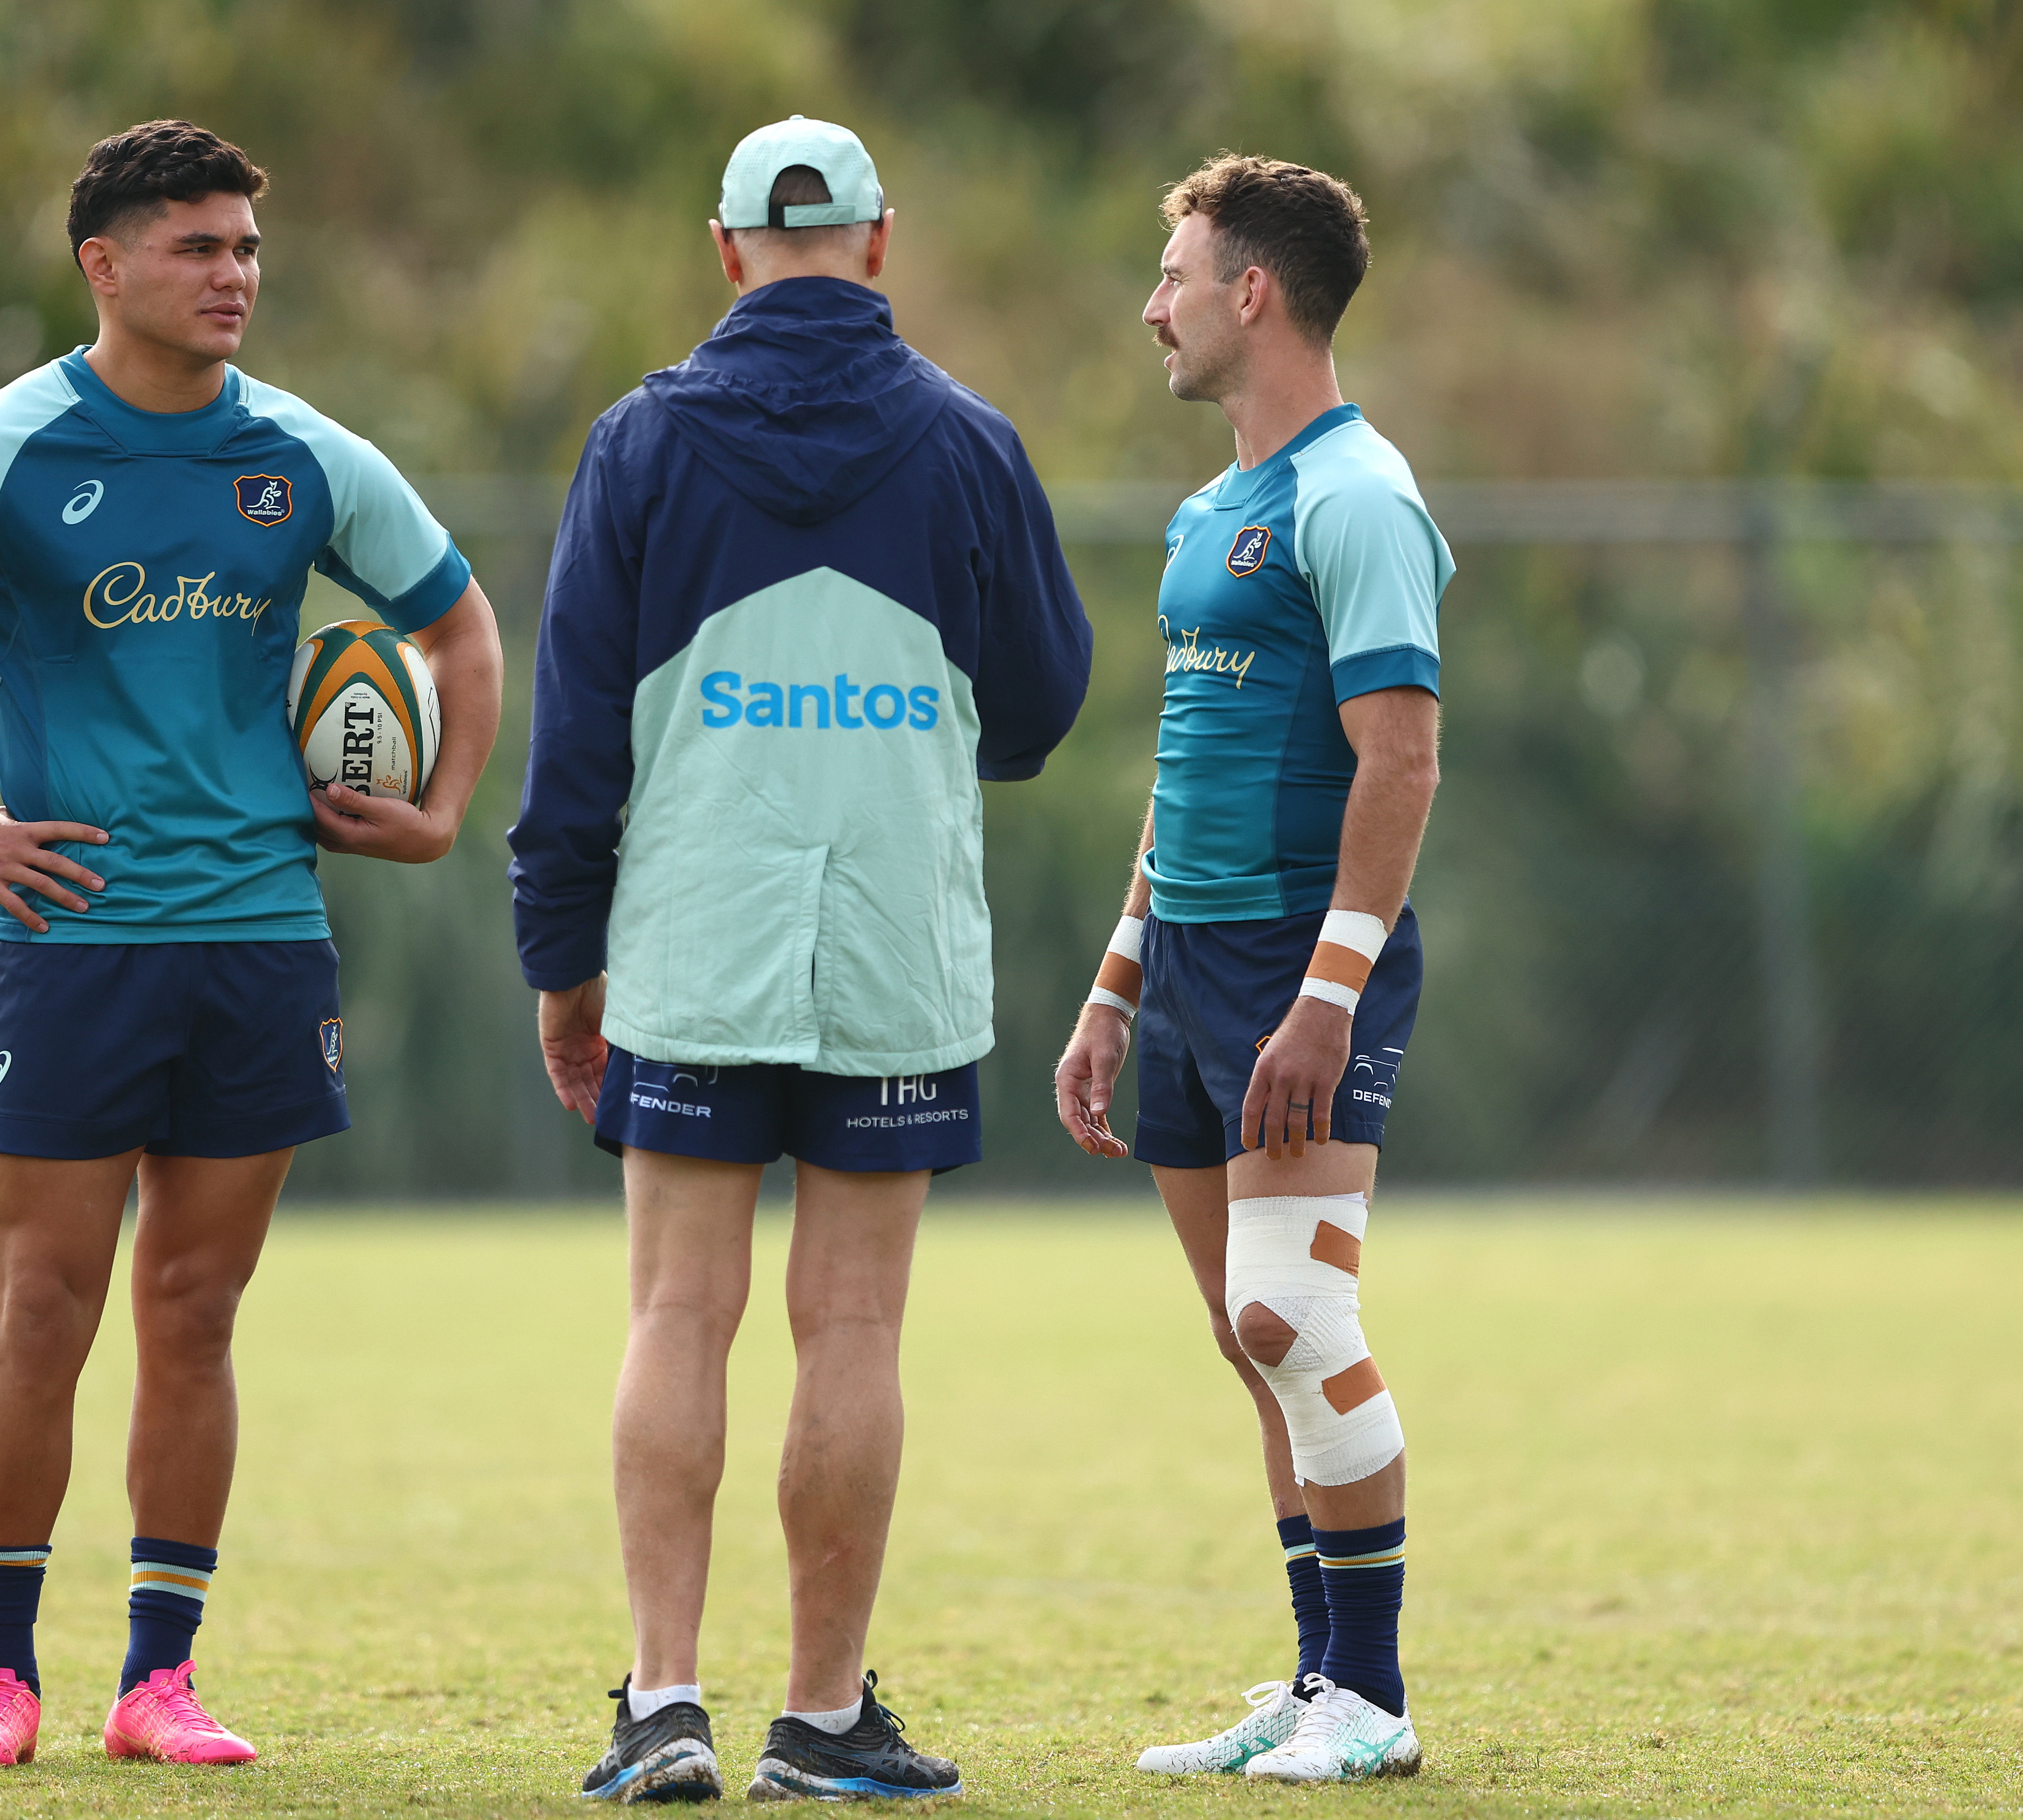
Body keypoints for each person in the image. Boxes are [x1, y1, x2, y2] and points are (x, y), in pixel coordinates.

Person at [0, 119, 502, 1771]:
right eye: (197, 246)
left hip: (260, 937)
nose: (233, 275)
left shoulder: (306, 457)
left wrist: (446, 804)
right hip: (77, 938)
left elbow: (456, 621)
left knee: (196, 1308)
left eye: (245, 247)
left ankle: (158, 1682)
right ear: (103, 265)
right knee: (42, 1308)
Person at [509, 117, 1092, 1803]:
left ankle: (662, 1707)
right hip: (893, 936)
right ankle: (823, 1723)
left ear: (724, 252)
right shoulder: (970, 442)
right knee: (851, 1326)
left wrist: (563, 963)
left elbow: (572, 750)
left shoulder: (637, 441)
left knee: (677, 1312)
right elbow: (1043, 704)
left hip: (693, 927)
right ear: (879, 243)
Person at [1052, 154, 1452, 1785]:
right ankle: (1309, 1685)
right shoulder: (1210, 510)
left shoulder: (1353, 495)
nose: (1151, 304)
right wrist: (1115, 981)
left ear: (1251, 293)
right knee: (1244, 1333)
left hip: (1302, 961)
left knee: (1291, 1313)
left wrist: (1326, 992)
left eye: (1172, 273)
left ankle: (1372, 1697)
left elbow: (1401, 763)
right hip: (1197, 963)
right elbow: (1187, 761)